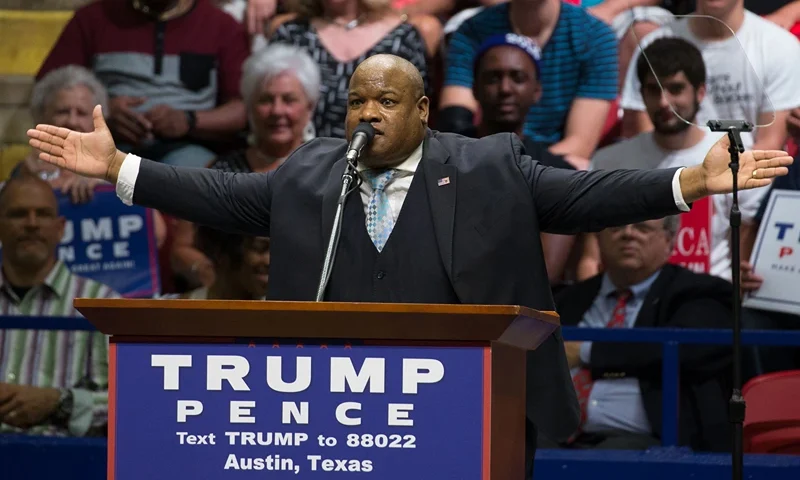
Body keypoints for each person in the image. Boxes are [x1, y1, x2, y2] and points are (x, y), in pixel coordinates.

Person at [26, 54, 792, 475]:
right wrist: (123, 168)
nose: (369, 114)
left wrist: (689, 180)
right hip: (345, 420)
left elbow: (582, 195)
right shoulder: (309, 173)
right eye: (358, 101)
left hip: (476, 408)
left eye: (386, 102)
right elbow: (223, 197)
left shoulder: (491, 164)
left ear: (422, 110)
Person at [585, 37, 766, 282]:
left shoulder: (733, 156)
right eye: (653, 90)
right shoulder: (609, 161)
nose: (663, 102)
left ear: (700, 92)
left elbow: (744, 243)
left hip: (706, 299)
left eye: (675, 89)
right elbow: (590, 257)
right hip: (630, 301)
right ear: (641, 94)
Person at [554, 216, 733, 451]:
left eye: (642, 227)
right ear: (598, 238)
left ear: (669, 240)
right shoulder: (567, 300)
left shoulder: (699, 293)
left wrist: (587, 351)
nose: (628, 234)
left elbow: (685, 348)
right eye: (616, 226)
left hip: (646, 440)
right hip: (556, 436)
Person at [169, 44, 320, 288]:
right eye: (266, 100)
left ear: (310, 107)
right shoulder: (220, 170)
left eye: (289, 100)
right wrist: (210, 274)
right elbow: (182, 250)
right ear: (249, 108)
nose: (277, 111)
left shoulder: (327, 169)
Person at [37, 0, 251, 167]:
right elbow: (48, 91)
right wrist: (103, 113)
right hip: (106, 146)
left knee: (196, 184)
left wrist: (190, 121)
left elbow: (242, 109)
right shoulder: (93, 18)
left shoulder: (221, 26)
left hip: (190, 148)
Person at [0, 174, 119, 437]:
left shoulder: (102, 305)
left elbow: (130, 403)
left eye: (42, 214)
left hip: (62, 462)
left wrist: (59, 402)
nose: (31, 224)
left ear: (61, 228)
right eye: (18, 214)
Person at [439, 0, 619, 158]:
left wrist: (518, 169)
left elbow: (579, 145)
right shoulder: (473, 31)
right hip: (481, 155)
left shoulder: (596, 36)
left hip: (554, 168)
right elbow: (454, 124)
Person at [620, 0, 800, 151]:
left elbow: (769, 145)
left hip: (747, 182)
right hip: (671, 182)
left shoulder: (779, 46)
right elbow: (646, 137)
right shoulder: (655, 45)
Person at [176, 225, 270, 300]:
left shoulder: (279, 317)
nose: (270, 261)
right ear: (221, 253)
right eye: (260, 248)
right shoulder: (177, 314)